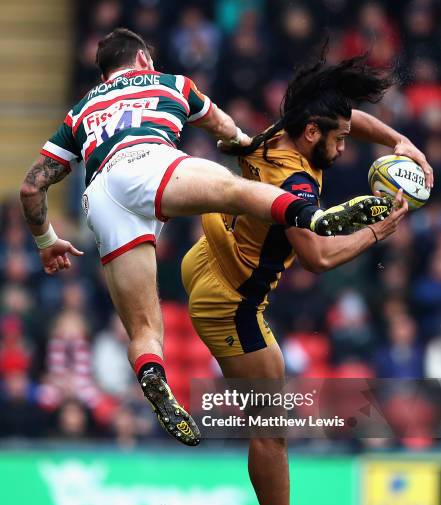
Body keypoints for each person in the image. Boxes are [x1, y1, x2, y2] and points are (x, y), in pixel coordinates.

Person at [19, 29, 398, 448]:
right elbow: (226, 130)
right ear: (144, 58)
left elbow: (31, 188)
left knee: (145, 329)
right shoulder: (168, 83)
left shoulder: (79, 112)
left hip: (102, 195)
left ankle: (152, 375)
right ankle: (316, 217)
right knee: (233, 189)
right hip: (149, 162)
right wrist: (242, 144)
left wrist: (46, 241)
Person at [181, 53, 433, 505]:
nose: (344, 148)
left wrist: (398, 143)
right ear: (312, 132)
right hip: (231, 302)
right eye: (337, 139)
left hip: (210, 255)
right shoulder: (295, 187)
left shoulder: (286, 126)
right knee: (271, 426)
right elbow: (317, 259)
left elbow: (350, 120)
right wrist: (379, 232)